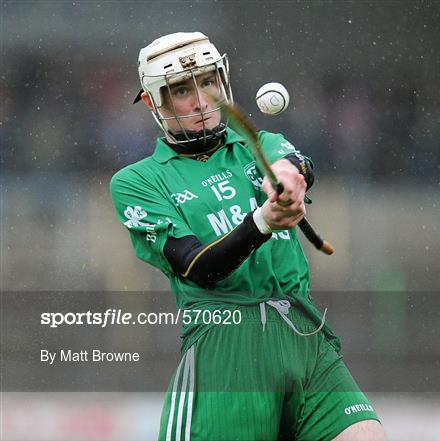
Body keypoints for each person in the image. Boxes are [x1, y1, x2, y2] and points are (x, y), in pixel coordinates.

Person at [110, 31, 386, 441]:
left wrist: (291, 182)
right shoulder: (138, 182)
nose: (202, 101)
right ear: (154, 103)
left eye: (208, 82)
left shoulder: (260, 145)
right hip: (226, 351)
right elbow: (197, 266)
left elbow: (291, 164)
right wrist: (262, 222)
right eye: (182, 90)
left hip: (303, 334)